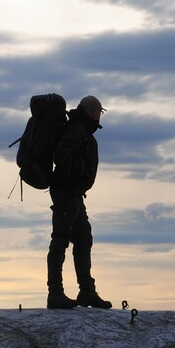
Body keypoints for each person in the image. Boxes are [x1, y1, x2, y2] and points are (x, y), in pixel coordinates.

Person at [46, 95, 113, 309]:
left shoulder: (80, 129)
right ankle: (55, 293)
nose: (99, 116)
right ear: (92, 110)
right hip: (67, 193)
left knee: (83, 239)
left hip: (73, 194)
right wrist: (72, 180)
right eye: (99, 111)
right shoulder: (76, 130)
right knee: (61, 240)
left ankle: (87, 292)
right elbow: (62, 155)